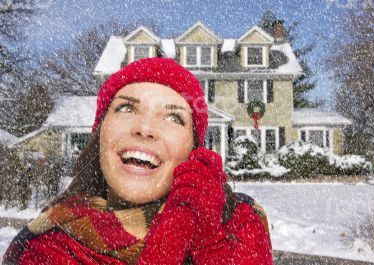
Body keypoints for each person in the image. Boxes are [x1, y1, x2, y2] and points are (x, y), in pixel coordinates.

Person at [3, 58, 274, 264]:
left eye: (173, 117)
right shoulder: (48, 244)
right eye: (127, 107)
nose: (145, 128)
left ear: (194, 150)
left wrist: (210, 243)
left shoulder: (239, 223)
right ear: (99, 135)